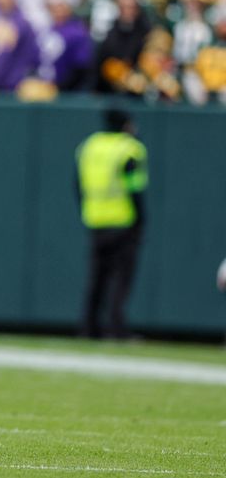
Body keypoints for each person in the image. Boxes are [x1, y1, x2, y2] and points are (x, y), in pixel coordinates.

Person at [75, 108, 148, 340]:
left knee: (96, 278)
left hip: (95, 219)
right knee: (120, 279)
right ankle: (117, 329)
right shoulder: (129, 149)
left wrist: (86, 211)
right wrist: (140, 219)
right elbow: (134, 188)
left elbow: (77, 185)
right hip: (123, 220)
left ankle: (88, 328)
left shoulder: (89, 146)